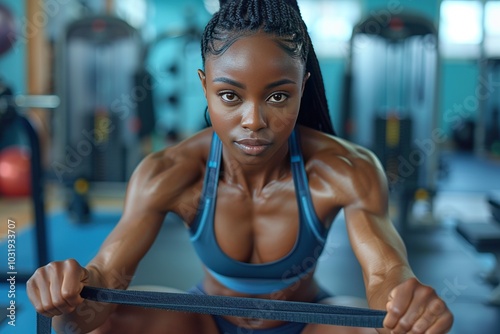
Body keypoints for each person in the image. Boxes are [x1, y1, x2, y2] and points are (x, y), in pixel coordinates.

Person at [27, 0, 454, 333]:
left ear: (303, 88)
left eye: (278, 96)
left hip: (309, 324)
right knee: (97, 328)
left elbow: (384, 273)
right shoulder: (168, 171)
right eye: (230, 96)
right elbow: (107, 279)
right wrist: (71, 294)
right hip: (202, 323)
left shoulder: (346, 169)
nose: (254, 121)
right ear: (205, 88)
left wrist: (405, 303)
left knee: (385, 329)